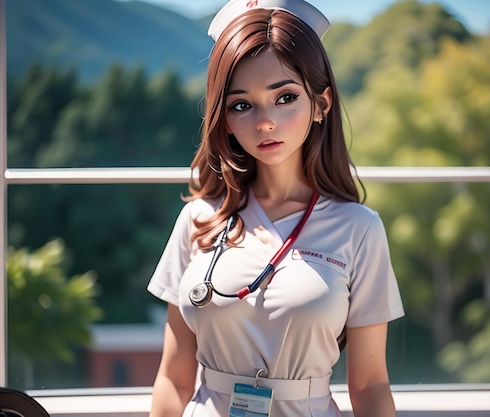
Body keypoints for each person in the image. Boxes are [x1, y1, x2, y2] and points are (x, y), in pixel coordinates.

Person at [147, 0, 404, 415]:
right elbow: (174, 379)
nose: (265, 122)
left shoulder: (359, 229)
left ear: (321, 104)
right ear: (224, 119)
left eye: (284, 97)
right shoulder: (198, 219)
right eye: (242, 104)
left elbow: (371, 385)